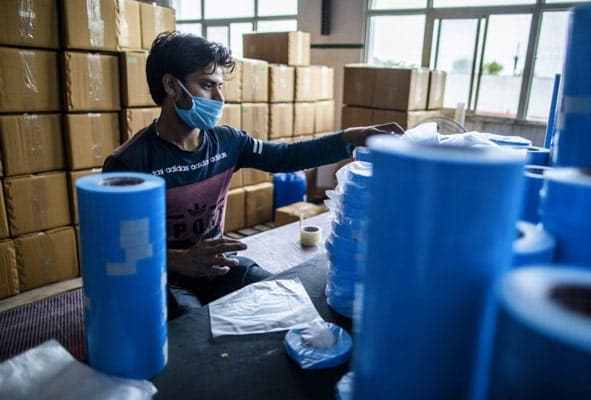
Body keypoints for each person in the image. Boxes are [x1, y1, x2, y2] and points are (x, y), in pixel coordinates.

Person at [102, 31, 403, 319]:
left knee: (285, 297)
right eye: (207, 85)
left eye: (220, 86)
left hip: (218, 265)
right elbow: (114, 247)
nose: (219, 98)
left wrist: (351, 137)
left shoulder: (227, 142)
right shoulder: (129, 162)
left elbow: (286, 155)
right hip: (165, 276)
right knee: (193, 327)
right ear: (171, 85)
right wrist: (181, 260)